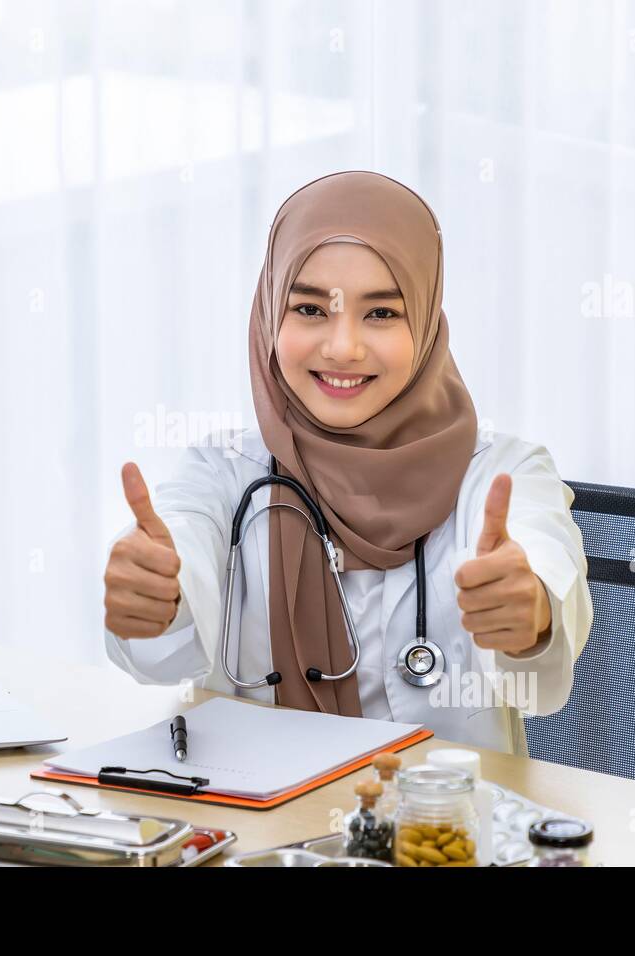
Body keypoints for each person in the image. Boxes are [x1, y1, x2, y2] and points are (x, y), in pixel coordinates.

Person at [101, 170, 592, 756]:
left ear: (428, 319)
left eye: (381, 314)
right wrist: (160, 593)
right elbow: (177, 582)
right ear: (269, 316)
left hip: (440, 832)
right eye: (309, 309)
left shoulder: (501, 476)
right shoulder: (223, 473)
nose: (342, 347)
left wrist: (529, 612)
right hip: (264, 835)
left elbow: (541, 599)